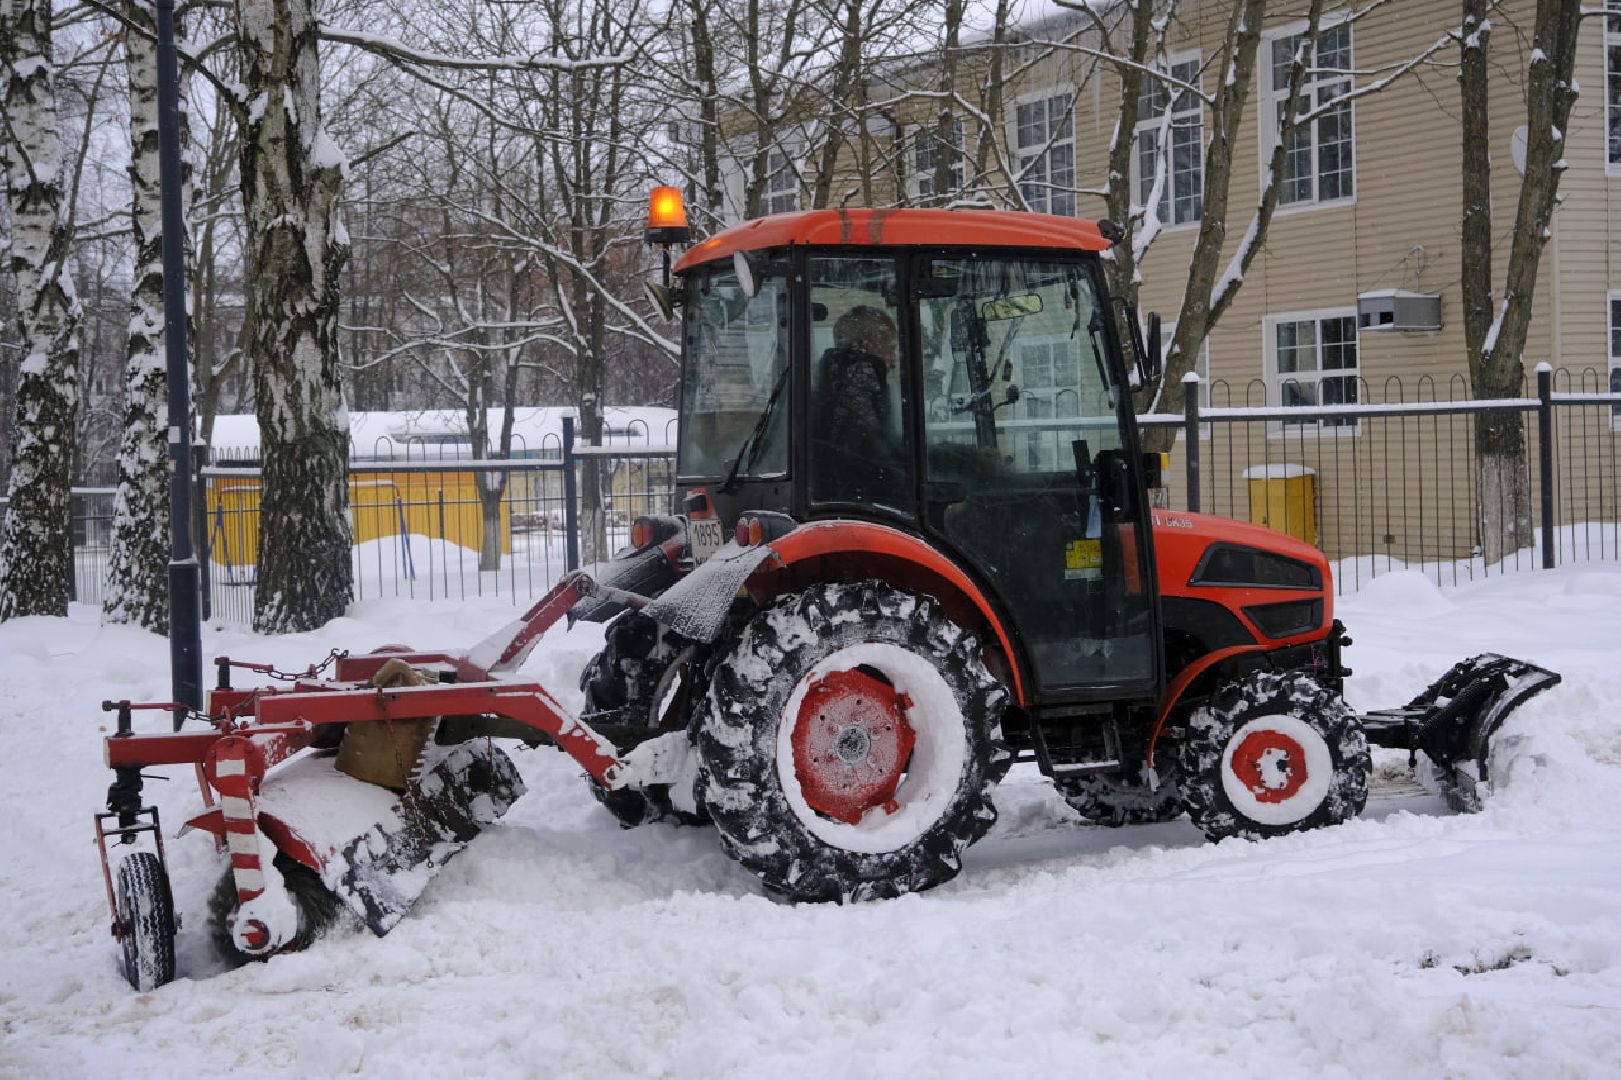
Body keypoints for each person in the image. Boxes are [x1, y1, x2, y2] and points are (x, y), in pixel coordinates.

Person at [812, 305, 909, 505]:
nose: (893, 362)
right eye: (890, 349)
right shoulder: (857, 386)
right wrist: (917, 496)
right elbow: (874, 460)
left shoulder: (834, 385)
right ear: (864, 345)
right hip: (862, 503)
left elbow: (885, 447)